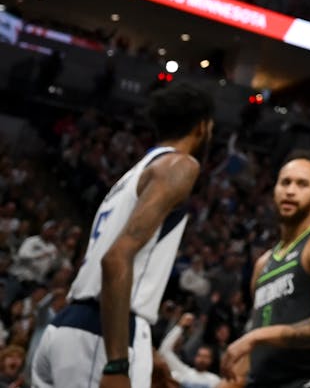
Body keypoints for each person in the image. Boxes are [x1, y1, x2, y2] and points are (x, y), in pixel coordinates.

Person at [31, 83, 214, 388]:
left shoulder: (132, 175)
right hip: (103, 336)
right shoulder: (180, 165)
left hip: (69, 326)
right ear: (202, 127)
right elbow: (116, 258)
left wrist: (148, 351)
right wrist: (118, 361)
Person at [222, 152, 310, 388]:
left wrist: (258, 336)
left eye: (302, 184)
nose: (290, 190)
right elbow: (256, 343)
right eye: (285, 182)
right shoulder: (263, 264)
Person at [159, 312, 221, 388]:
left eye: (206, 357)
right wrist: (180, 326)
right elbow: (164, 351)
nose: (202, 359)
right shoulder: (183, 372)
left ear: (211, 360)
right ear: (195, 357)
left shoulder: (215, 380)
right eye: (199, 355)